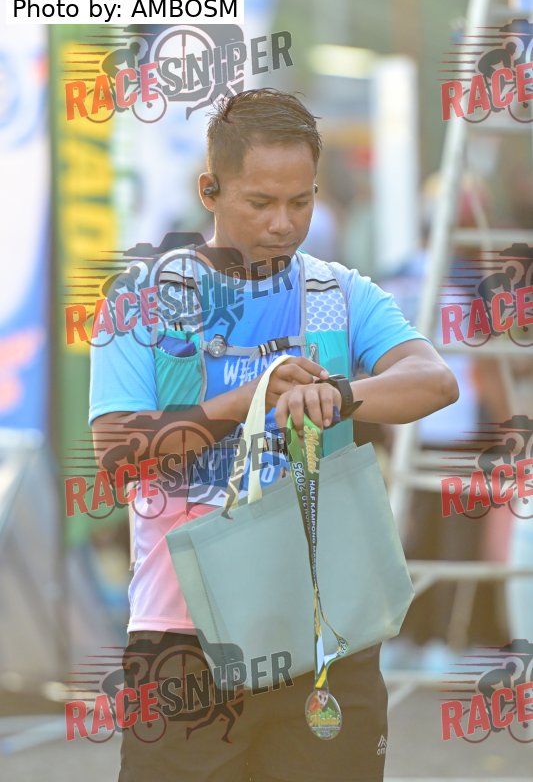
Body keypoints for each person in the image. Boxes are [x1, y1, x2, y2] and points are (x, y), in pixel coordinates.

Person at [89, 89, 459, 782]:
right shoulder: (142, 302)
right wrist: (246, 400)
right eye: (260, 203)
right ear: (209, 190)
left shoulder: (339, 291)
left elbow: (434, 381)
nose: (284, 224)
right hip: (184, 639)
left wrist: (339, 394)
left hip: (326, 633)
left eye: (301, 201)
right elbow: (115, 450)